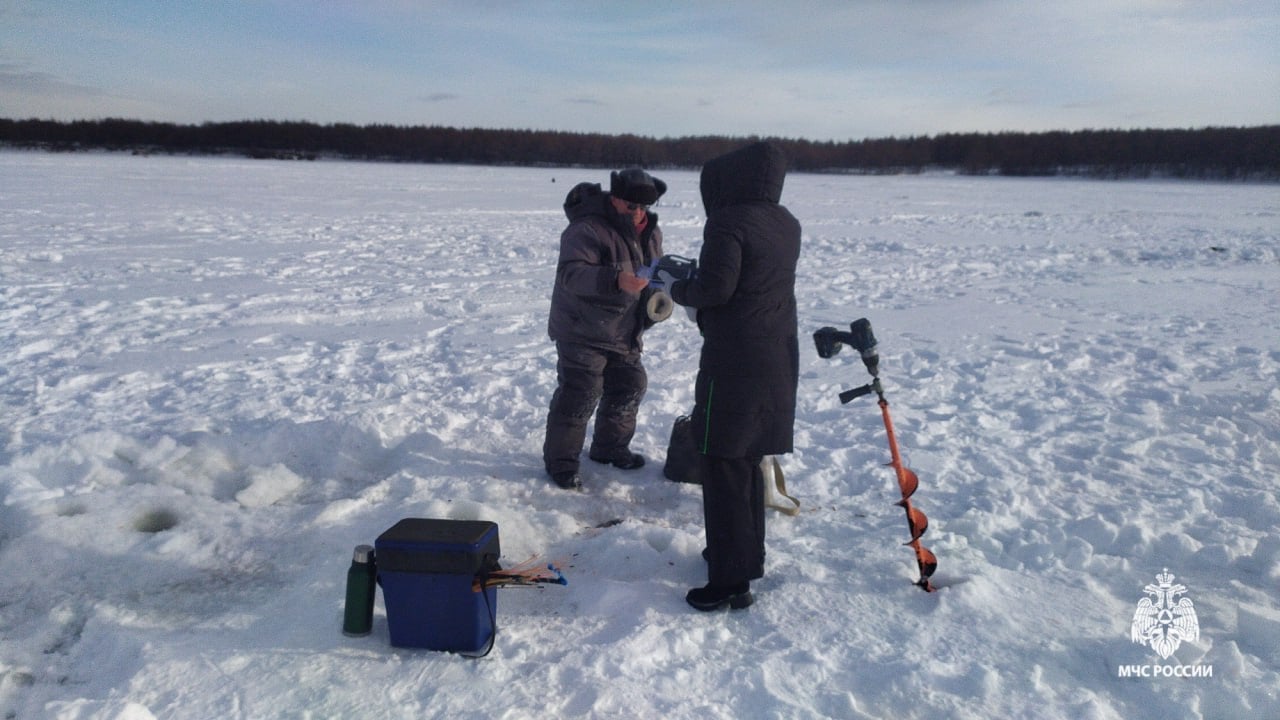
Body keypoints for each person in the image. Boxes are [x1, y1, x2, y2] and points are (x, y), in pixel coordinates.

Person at [665, 142, 801, 611]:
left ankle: (729, 581)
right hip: (776, 358)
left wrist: (676, 287)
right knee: (745, 461)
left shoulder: (728, 222)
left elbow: (716, 289)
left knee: (722, 462)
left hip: (735, 362)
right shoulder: (785, 222)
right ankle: (742, 555)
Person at [543, 167, 667, 490]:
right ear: (615, 199)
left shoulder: (651, 233)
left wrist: (658, 300)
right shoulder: (587, 229)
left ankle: (610, 448)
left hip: (622, 330)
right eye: (631, 206)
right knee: (582, 390)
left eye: (643, 207)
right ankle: (561, 463)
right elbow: (571, 274)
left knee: (630, 383)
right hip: (581, 328)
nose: (638, 212)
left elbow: (654, 273)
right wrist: (615, 279)